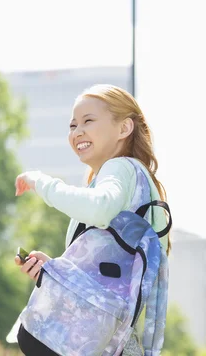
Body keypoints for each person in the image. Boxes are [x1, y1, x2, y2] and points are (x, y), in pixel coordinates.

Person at [13, 84, 170, 356]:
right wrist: (54, 271)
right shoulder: (137, 181)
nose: (77, 132)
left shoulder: (120, 167)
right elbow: (112, 276)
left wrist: (40, 181)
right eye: (73, 125)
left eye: (88, 121)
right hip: (113, 341)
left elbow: (99, 208)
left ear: (124, 129)